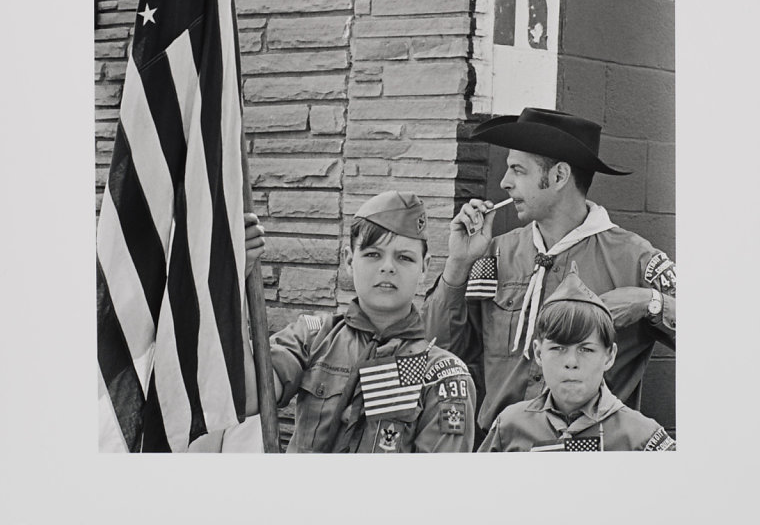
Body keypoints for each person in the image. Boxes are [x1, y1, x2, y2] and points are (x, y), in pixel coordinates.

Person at [422, 107, 676, 437]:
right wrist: (457, 265)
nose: (504, 182)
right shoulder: (494, 253)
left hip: (589, 458)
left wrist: (650, 302)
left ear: (558, 177)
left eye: (517, 170)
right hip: (501, 450)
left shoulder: (634, 258)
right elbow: (439, 350)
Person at [239, 190, 476, 452]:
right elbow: (248, 397)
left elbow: (438, 487)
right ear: (349, 260)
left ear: (424, 267)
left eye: (404, 257)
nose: (388, 267)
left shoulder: (442, 376)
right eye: (373, 254)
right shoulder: (313, 337)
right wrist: (236, 280)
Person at [478, 263, 675, 451]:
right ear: (538, 353)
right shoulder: (509, 427)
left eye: (586, 349)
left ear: (609, 356)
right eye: (557, 348)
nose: (571, 363)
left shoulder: (642, 437)